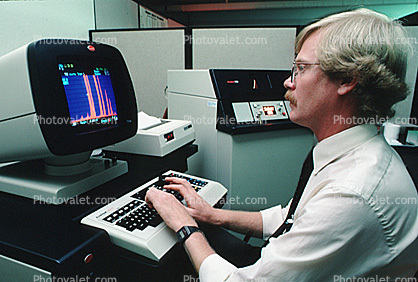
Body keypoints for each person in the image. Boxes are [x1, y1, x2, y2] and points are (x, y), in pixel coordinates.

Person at [146, 8, 418, 281]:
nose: (288, 81)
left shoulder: (351, 192)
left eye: (301, 69)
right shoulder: (348, 154)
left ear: (347, 80)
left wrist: (184, 225)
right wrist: (212, 215)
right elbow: (290, 217)